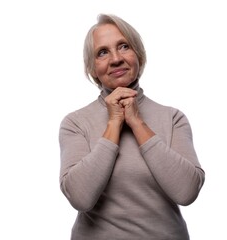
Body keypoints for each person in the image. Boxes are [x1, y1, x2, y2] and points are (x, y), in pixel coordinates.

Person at [58, 13, 205, 240]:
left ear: (139, 55)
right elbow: (80, 198)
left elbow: (186, 192)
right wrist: (114, 123)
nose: (116, 59)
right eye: (103, 52)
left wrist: (137, 123)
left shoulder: (173, 118)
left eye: (124, 46)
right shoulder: (75, 123)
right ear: (92, 69)